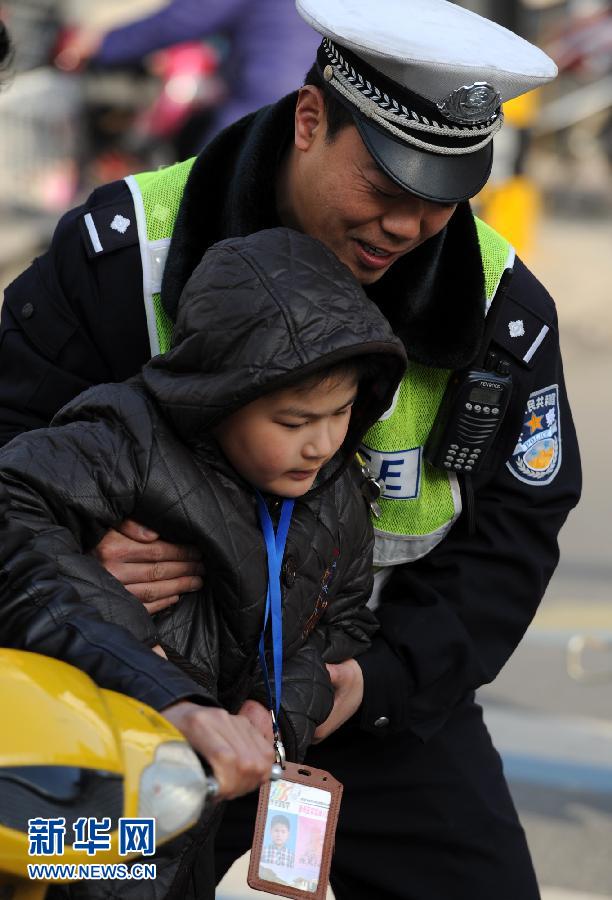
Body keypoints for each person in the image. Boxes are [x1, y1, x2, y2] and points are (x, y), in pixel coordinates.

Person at [0, 0, 581, 897]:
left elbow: (516, 529)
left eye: (442, 200)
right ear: (310, 119)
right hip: (131, 688)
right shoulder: (125, 253)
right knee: (50, 864)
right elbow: (9, 468)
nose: (408, 227)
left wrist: (377, 680)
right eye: (386, 189)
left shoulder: (504, 311)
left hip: (360, 693)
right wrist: (87, 554)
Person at [0, 227, 406, 897]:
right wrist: (165, 693)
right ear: (220, 394)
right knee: (68, 877)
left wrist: (276, 716)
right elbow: (13, 510)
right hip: (96, 787)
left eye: (341, 413)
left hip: (207, 804)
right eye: (293, 420)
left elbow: (342, 627)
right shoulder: (124, 439)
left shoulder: (336, 494)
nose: (322, 443)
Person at [57, 0, 318, 141]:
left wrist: (101, 45)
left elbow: (181, 20)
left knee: (209, 205)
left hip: (261, 107)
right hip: (322, 115)